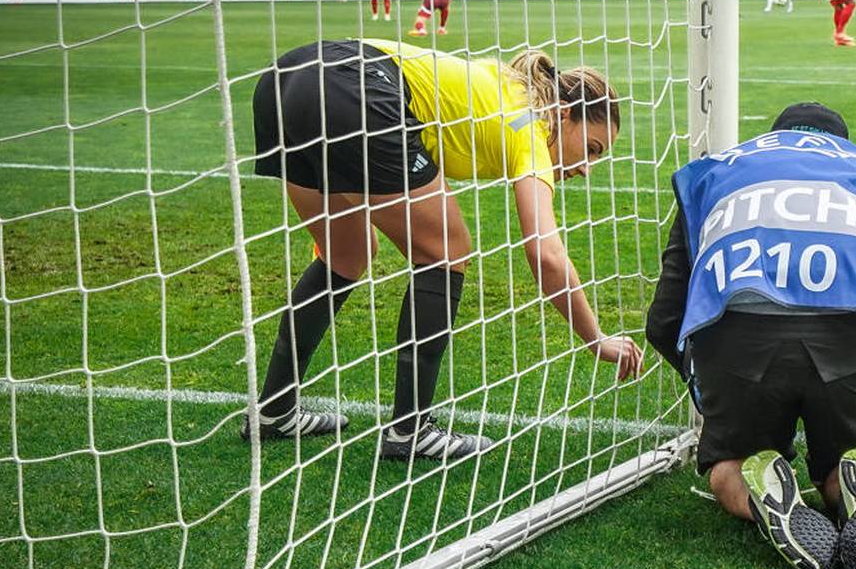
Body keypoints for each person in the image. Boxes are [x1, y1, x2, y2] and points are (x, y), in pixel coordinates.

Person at [247, 41, 643, 460]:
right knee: (447, 250)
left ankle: (275, 409)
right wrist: (596, 339)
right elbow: (546, 255)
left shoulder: (511, 94)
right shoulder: (533, 131)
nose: (586, 168)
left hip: (288, 78)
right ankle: (410, 430)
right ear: (564, 115)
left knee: (346, 251)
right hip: (356, 88)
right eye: (592, 149)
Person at [645, 103, 856, 569]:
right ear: (841, 142)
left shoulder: (715, 173)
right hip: (853, 332)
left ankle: (758, 488)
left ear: (773, 138)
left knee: (728, 462)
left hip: (737, 334)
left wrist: (709, 387)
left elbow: (664, 319)